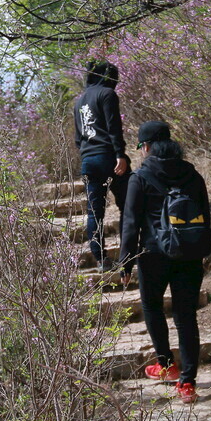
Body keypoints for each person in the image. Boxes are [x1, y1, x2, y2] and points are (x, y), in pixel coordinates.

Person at [119, 121, 211, 404]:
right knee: (186, 316)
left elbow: (131, 223)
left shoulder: (141, 177)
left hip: (153, 254)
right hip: (189, 254)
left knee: (152, 306)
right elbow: (206, 215)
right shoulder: (192, 175)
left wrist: (125, 263)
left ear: (146, 146)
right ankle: (188, 383)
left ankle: (166, 364)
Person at [73, 60, 128, 271]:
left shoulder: (79, 102)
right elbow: (114, 127)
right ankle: (128, 255)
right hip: (109, 158)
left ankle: (101, 260)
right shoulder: (107, 94)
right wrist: (120, 154)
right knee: (127, 205)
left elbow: (79, 139)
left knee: (94, 213)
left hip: (89, 160)